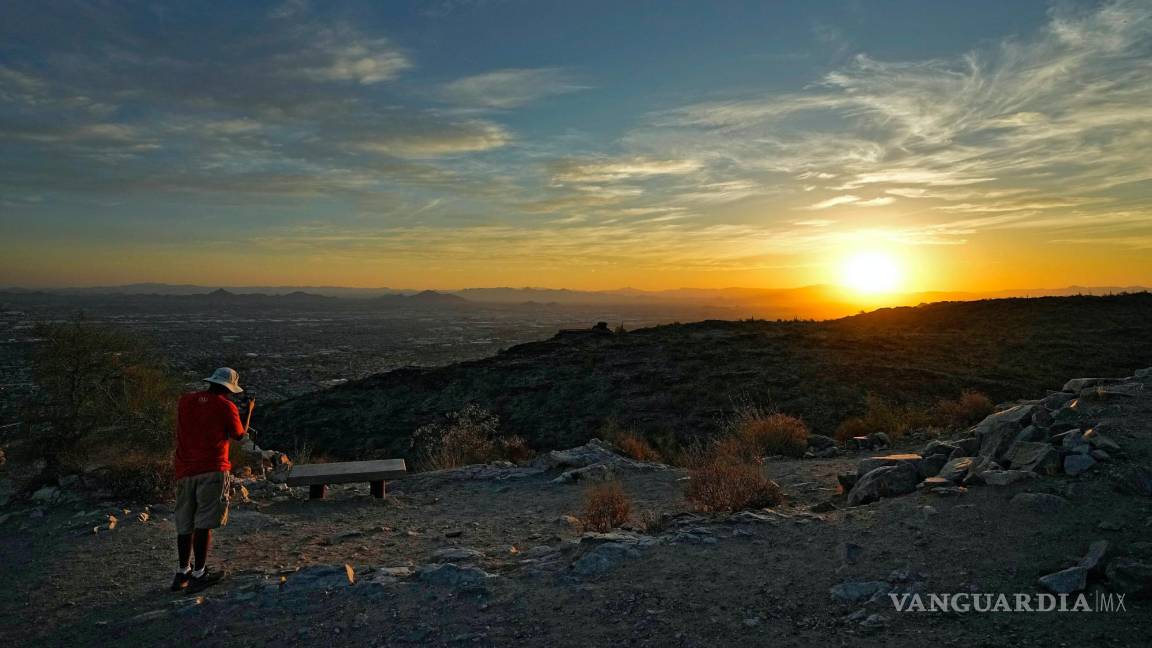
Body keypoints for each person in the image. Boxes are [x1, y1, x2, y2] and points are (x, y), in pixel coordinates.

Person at [171, 367, 249, 592]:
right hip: (212, 468)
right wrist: (249, 411)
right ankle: (199, 573)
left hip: (184, 469)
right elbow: (239, 435)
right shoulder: (226, 406)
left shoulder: (185, 401)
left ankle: (182, 572)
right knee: (204, 522)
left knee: (185, 523)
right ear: (229, 388)